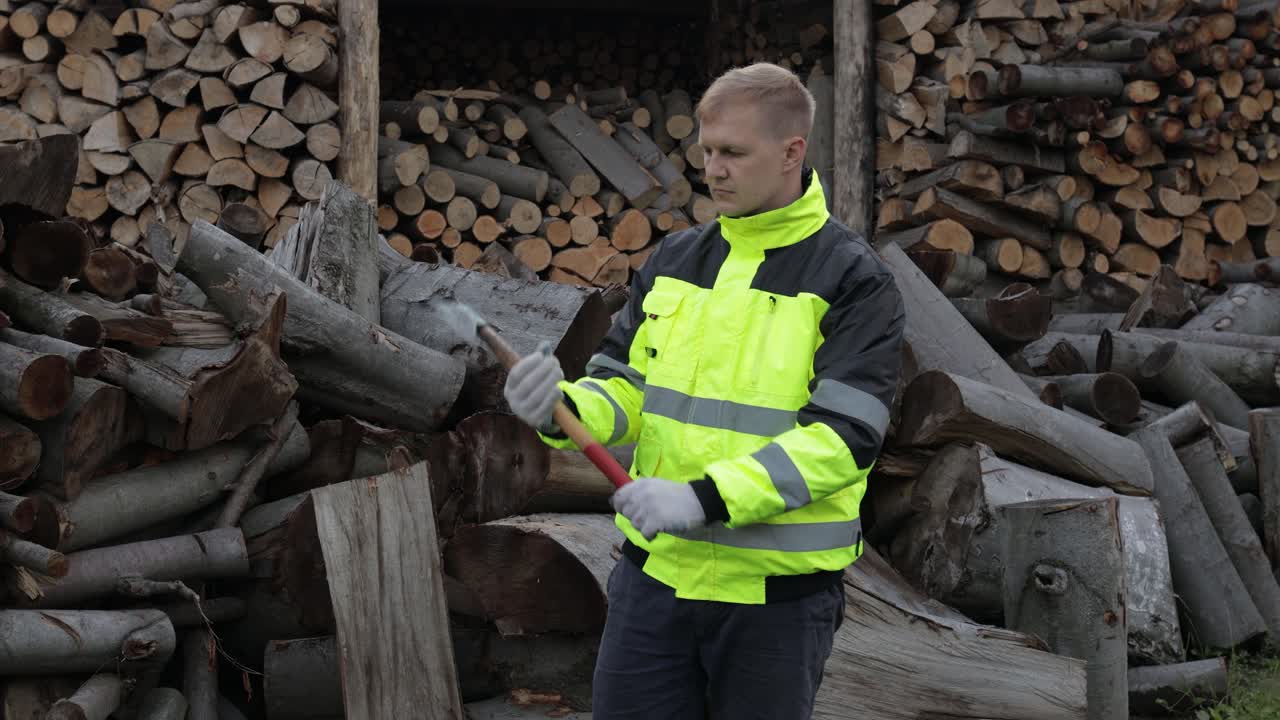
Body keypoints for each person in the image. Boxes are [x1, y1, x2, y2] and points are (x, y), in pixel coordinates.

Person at [502, 62, 905, 719]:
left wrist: (703, 499)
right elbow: (624, 387)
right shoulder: (675, 260)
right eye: (708, 152)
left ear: (791, 153)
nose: (713, 169)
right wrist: (562, 408)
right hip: (654, 584)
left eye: (733, 154)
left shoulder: (853, 279)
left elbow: (843, 442)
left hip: (777, 604)